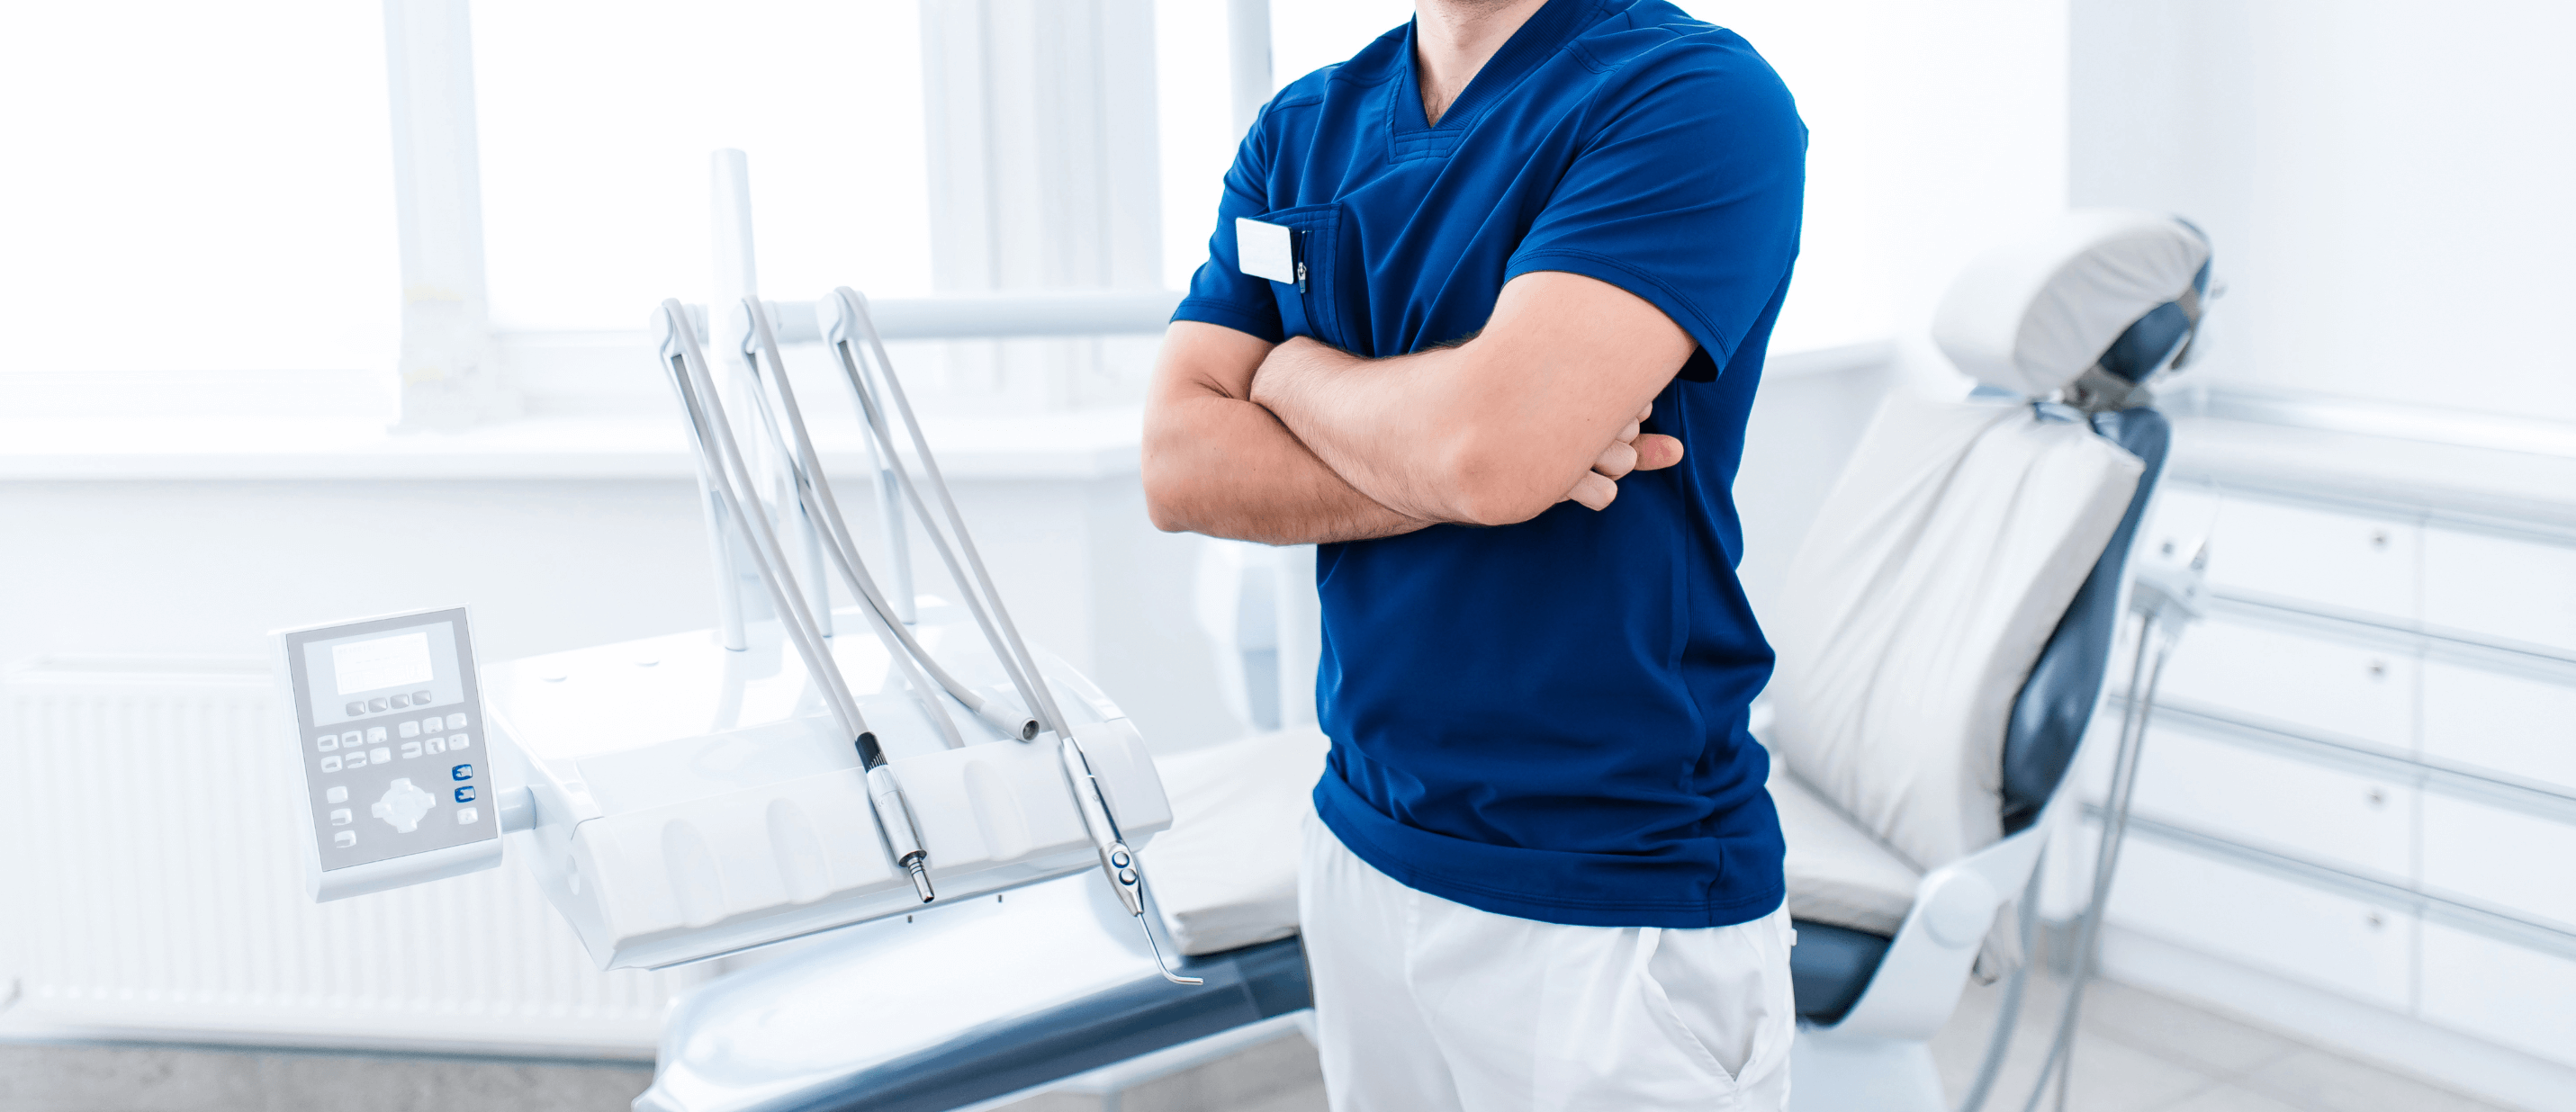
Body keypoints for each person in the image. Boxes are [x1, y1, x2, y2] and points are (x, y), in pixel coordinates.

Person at [1141, 0, 1806, 1107]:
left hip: (1613, 886)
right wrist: (1474, 449)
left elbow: (1488, 451)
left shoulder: (1690, 98)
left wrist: (1293, 374)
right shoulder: (1301, 130)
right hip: (1360, 842)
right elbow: (1178, 464)